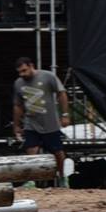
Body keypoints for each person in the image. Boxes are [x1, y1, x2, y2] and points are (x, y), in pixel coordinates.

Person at [12, 56, 71, 185]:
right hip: (31, 122)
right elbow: (18, 105)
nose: (22, 74)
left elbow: (62, 93)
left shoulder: (48, 76)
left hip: (50, 122)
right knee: (31, 149)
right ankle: (32, 179)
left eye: (24, 70)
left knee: (57, 151)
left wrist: (65, 114)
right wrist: (17, 125)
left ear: (31, 65)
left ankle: (61, 176)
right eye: (20, 72)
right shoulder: (18, 83)